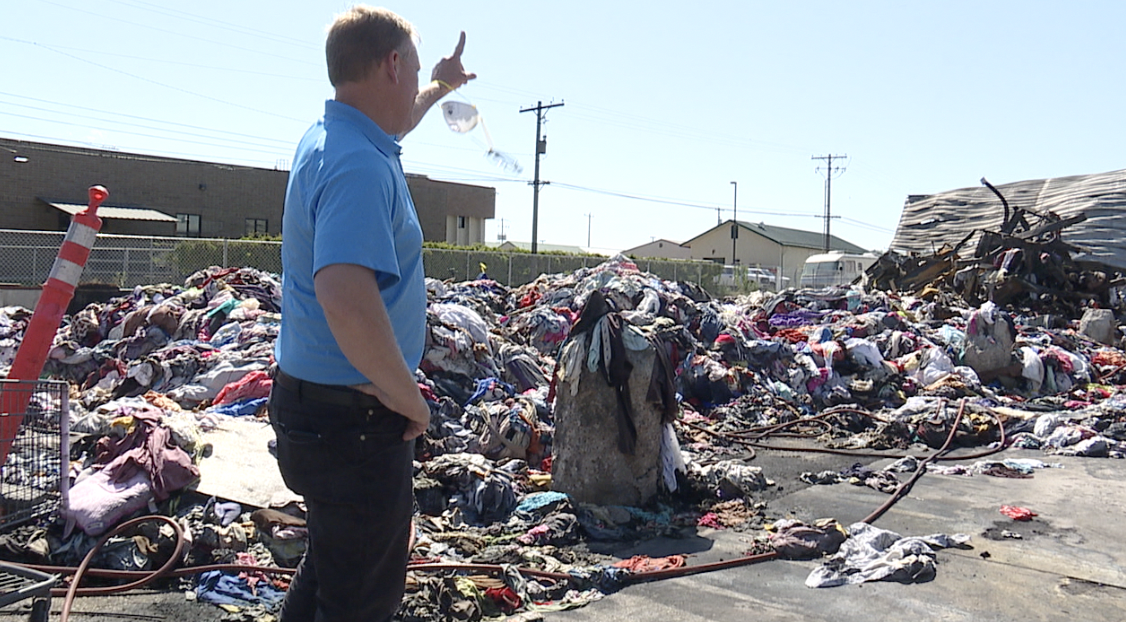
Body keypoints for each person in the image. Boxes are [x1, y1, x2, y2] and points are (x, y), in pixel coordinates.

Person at [268, 6, 475, 621]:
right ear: (390, 64)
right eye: (412, 68)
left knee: (334, 568)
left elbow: (400, 117)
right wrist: (407, 397)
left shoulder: (341, 136)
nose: (414, 82)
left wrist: (441, 84)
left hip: (320, 409)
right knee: (360, 599)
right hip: (352, 422)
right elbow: (345, 297)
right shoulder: (359, 164)